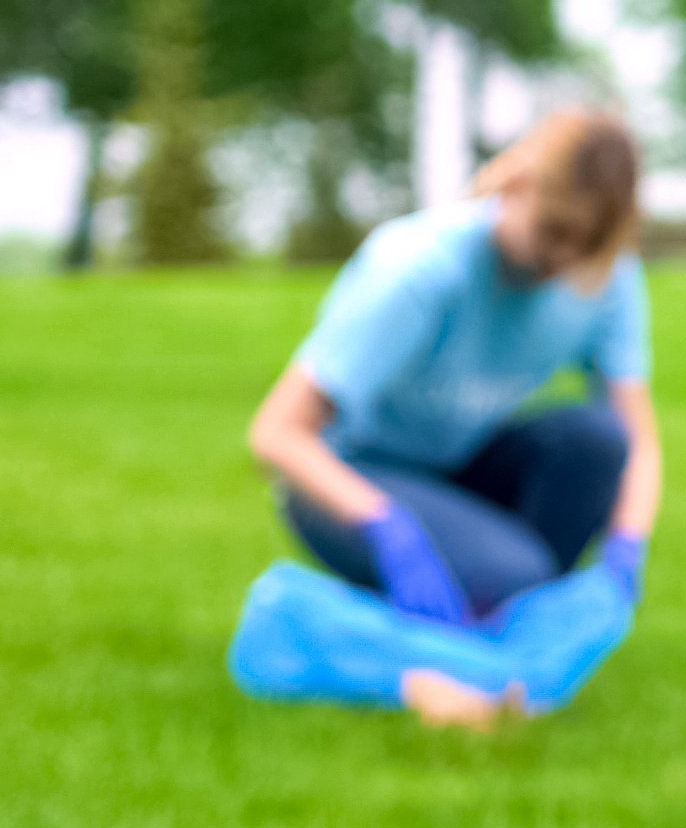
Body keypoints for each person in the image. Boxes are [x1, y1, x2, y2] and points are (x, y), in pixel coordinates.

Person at [247, 108, 664, 710]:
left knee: (595, 444)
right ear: (517, 186)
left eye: (583, 250)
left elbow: (637, 439)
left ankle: (475, 630)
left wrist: (627, 553)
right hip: (352, 482)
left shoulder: (601, 276)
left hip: (461, 463)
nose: (560, 265)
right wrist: (389, 530)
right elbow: (277, 434)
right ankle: (378, 640)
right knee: (514, 579)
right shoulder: (420, 270)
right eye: (551, 235)